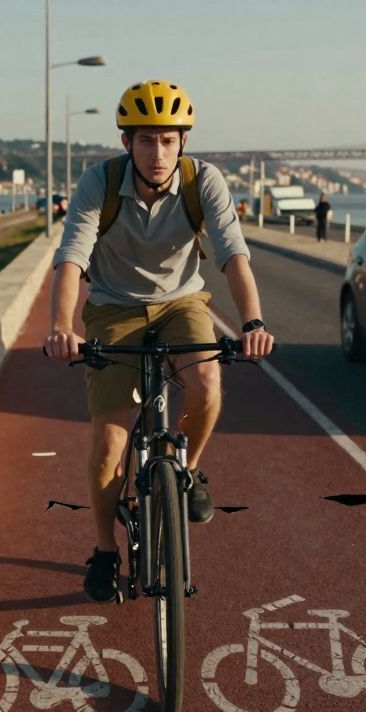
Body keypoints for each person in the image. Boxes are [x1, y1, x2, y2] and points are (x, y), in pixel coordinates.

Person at [43, 79, 275, 602]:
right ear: (127, 142)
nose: (158, 153)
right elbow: (72, 257)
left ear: (182, 142)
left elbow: (232, 254)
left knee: (207, 382)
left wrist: (253, 324)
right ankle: (105, 550)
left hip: (181, 303)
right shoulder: (99, 183)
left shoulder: (203, 180)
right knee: (109, 443)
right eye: (146, 140)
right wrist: (61, 327)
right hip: (113, 308)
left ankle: (188, 474)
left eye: (169, 140)